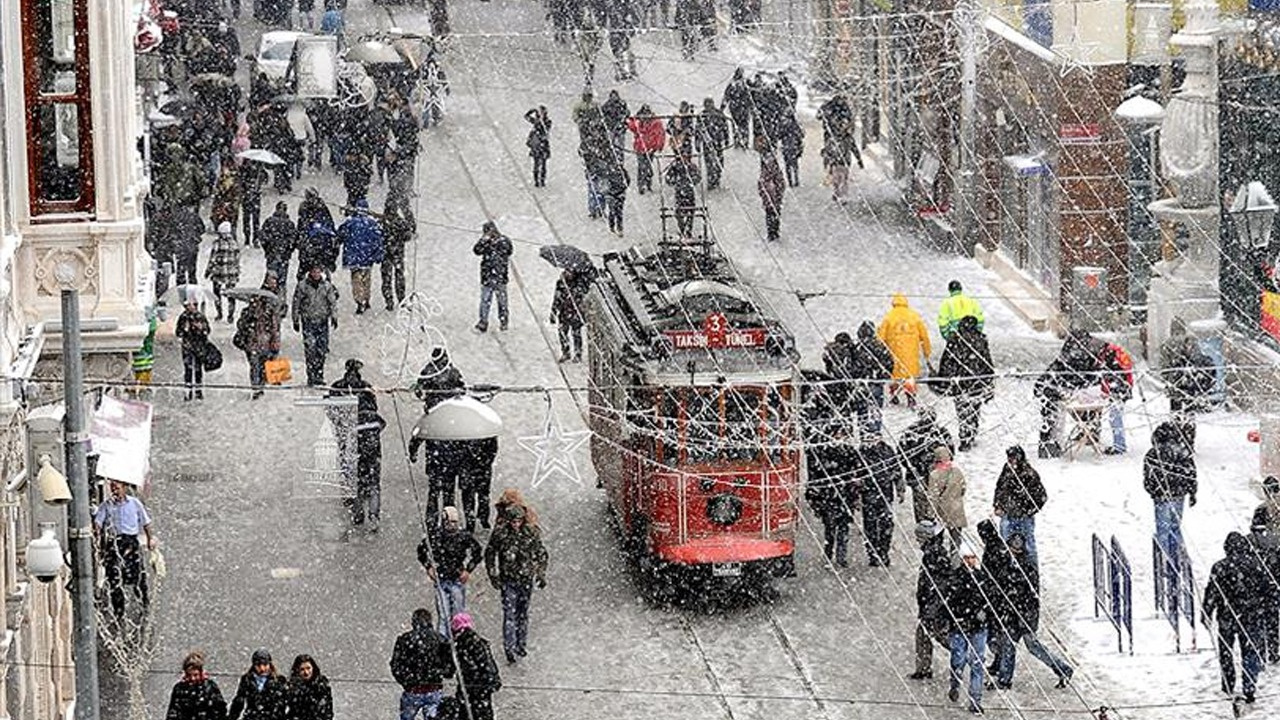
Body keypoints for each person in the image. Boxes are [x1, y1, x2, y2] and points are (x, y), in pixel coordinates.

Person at [989, 532, 1074, 690]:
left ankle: (1063, 668)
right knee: (1009, 645)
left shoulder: (1027, 565)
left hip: (1024, 614)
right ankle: (1004, 679)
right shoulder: (1005, 562)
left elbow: (1031, 594)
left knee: (1032, 646)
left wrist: (1025, 612)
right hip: (1012, 613)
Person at [1204, 532, 1270, 704]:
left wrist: (1207, 612)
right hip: (1251, 615)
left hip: (1227, 615)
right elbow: (1266, 591)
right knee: (1250, 652)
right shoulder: (1256, 565)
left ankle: (1228, 683)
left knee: (1226, 651)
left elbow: (1212, 591)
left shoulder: (1219, 567)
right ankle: (1249, 686)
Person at [485, 504, 549, 664]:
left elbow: (541, 553)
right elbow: (490, 553)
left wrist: (541, 573)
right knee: (510, 614)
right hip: (508, 580)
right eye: (513, 521)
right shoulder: (500, 534)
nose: (516, 524)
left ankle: (520, 644)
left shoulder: (531, 533)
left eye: (518, 521)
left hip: (525, 579)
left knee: (522, 613)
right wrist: (493, 575)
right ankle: (509, 647)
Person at [1033, 329, 1104, 458]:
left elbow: (1052, 371)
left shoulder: (1068, 356)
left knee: (1053, 420)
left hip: (1058, 391)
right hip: (1061, 392)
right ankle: (1089, 431)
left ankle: (1050, 444)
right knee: (1057, 418)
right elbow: (1092, 376)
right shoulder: (1084, 356)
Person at [93, 479, 156, 618]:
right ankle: (118, 611)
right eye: (113, 488)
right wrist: (96, 533)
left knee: (138, 575)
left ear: (124, 487)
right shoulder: (106, 505)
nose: (115, 491)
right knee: (114, 577)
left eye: (117, 487)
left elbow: (146, 523)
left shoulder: (134, 503)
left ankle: (144, 605)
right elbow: (98, 523)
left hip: (131, 542)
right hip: (114, 543)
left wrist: (151, 538)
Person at [418, 507, 485, 637]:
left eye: (455, 522)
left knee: (458, 616)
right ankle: (443, 644)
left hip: (457, 580)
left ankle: (457, 641)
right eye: (450, 522)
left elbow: (477, 552)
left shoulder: (463, 536)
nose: (453, 526)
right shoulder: (435, 536)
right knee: (444, 616)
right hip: (441, 579)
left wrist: (468, 570)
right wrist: (428, 567)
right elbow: (421, 551)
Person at [934, 315, 995, 451]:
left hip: (960, 382)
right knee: (974, 409)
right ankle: (971, 432)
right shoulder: (981, 340)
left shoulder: (955, 340)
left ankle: (965, 436)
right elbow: (987, 362)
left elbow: (946, 361)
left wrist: (943, 379)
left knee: (962, 410)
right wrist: (988, 380)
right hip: (976, 383)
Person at [945, 543, 992, 715]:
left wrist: (984, 613)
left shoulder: (982, 579)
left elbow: (990, 601)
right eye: (967, 558)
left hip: (978, 628)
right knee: (958, 659)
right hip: (961, 626)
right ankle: (955, 683)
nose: (970, 561)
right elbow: (950, 603)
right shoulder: (955, 578)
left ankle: (975, 700)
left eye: (972, 558)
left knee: (977, 663)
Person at [804, 421, 859, 567]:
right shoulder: (823, 452)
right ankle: (828, 554)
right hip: (829, 497)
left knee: (843, 528)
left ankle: (841, 556)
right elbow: (816, 475)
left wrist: (854, 490)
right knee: (830, 529)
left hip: (845, 496)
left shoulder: (850, 452)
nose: (841, 438)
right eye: (838, 434)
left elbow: (856, 472)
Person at [1144, 421, 1197, 569]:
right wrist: (1192, 492)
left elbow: (1148, 478)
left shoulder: (1153, 454)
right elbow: (1191, 474)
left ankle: (1165, 559)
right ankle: (1180, 557)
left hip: (1161, 497)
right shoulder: (1183, 452)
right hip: (1179, 495)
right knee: (1175, 527)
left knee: (1163, 530)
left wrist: (1153, 491)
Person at [390, 608, 455, 720]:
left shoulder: (404, 639)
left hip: (412, 689)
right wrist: (438, 673)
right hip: (433, 688)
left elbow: (396, 665)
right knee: (433, 716)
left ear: (414, 622)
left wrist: (406, 680)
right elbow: (450, 668)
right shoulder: (440, 639)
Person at [910, 520, 954, 680]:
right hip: (932, 605)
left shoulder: (934, 555)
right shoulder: (933, 552)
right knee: (924, 635)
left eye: (919, 537)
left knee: (940, 637)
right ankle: (923, 669)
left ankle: (969, 657)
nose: (917, 541)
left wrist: (931, 608)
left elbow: (940, 584)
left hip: (934, 607)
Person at [898, 406, 955, 523]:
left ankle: (928, 530)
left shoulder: (939, 432)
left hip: (929, 476)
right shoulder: (939, 432)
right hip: (923, 476)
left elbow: (949, 454)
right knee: (929, 505)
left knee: (925, 506)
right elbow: (902, 455)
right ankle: (929, 530)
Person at [992, 445, 1046, 566]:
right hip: (1007, 514)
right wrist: (997, 505)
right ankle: (1006, 570)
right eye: (1009, 458)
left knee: (1028, 545)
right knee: (1005, 545)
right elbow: (999, 487)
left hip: (1024, 517)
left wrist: (1029, 510)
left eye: (1012, 458)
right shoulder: (1007, 470)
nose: (1010, 461)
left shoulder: (1029, 474)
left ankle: (1031, 570)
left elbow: (1041, 496)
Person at [857, 430, 904, 567]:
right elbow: (856, 474)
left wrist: (900, 489)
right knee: (870, 526)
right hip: (868, 495)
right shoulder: (861, 453)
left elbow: (896, 469)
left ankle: (884, 552)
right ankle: (872, 554)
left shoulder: (887, 450)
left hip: (885, 494)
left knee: (886, 525)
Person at [878, 293, 932, 406]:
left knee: (895, 375)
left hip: (894, 353)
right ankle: (910, 396)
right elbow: (924, 337)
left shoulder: (889, 317)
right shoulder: (914, 316)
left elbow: (880, 338)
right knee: (909, 375)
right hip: (911, 354)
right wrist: (927, 352)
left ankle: (894, 394)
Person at [292, 264, 340, 386]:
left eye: (318, 272)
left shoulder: (326, 286)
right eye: (314, 272)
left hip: (322, 321)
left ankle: (319, 374)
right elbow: (296, 302)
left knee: (321, 349)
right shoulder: (302, 286)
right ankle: (311, 376)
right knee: (310, 349)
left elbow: (332, 302)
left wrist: (334, 317)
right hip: (308, 321)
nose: (316, 274)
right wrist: (295, 319)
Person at [448, 613, 502, 720]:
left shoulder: (459, 646)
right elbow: (490, 666)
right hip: (483, 691)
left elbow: (450, 670)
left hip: (470, 690)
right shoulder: (480, 642)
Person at [338, 200, 385, 315]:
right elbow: (378, 241)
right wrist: (378, 256)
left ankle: (360, 301)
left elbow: (340, 234)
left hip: (353, 257)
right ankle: (366, 299)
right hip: (367, 258)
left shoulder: (350, 222)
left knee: (356, 281)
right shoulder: (372, 223)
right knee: (366, 279)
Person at [233, 293, 282, 399]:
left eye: (257, 300)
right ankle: (256, 388)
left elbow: (274, 328)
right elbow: (240, 325)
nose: (255, 302)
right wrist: (249, 319)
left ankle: (261, 385)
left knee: (263, 367)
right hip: (252, 344)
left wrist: (275, 341)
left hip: (266, 344)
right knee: (254, 367)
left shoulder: (268, 312)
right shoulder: (246, 312)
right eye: (253, 300)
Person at [849, 320, 895, 430]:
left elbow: (852, 366)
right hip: (876, 383)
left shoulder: (857, 348)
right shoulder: (880, 346)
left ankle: (864, 434)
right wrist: (882, 377)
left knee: (862, 412)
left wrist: (856, 376)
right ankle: (875, 434)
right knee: (875, 410)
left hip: (861, 384)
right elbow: (890, 362)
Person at [473, 221, 513, 333]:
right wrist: (484, 241)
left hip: (500, 277)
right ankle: (483, 322)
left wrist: (495, 245)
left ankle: (504, 322)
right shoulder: (485, 242)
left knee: (502, 302)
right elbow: (476, 251)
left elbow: (509, 251)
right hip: (487, 276)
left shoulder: (504, 241)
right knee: (485, 300)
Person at [166, 650, 228, 720]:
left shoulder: (210, 687)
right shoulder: (179, 689)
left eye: (195, 675)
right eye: (189, 675)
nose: (192, 678)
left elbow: (220, 711)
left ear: (201, 673)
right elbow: (173, 713)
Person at [227, 649, 287, 720]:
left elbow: (282, 703)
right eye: (258, 665)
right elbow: (239, 701)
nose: (262, 668)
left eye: (265, 664)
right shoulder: (247, 679)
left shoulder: (279, 680)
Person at [1100, 339, 1135, 454]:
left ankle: (1119, 446)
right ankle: (1119, 444)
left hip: (1118, 390)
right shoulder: (1116, 352)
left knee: (1115, 418)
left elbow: (1108, 375)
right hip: (1121, 389)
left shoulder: (1110, 354)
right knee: (1115, 417)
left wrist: (1107, 390)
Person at [926, 446, 966, 543]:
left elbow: (933, 496)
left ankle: (940, 556)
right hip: (957, 511)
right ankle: (955, 557)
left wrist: (930, 514)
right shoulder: (957, 471)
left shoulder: (935, 474)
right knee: (956, 542)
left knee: (936, 541)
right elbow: (963, 489)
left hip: (941, 512)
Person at [175, 296, 212, 401]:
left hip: (199, 347)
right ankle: (188, 391)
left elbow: (207, 331)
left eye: (192, 305)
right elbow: (178, 333)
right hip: (187, 347)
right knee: (188, 369)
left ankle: (198, 391)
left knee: (198, 370)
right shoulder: (183, 317)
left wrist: (202, 328)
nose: (190, 307)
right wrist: (184, 329)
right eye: (188, 305)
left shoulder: (200, 316)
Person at [206, 221, 241, 322]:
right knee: (231, 294)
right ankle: (231, 315)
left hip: (219, 273)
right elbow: (237, 259)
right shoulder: (234, 243)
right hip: (231, 273)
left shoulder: (217, 243)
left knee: (216, 293)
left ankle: (219, 313)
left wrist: (208, 270)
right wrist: (237, 270)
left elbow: (212, 259)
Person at [381, 199, 413, 311]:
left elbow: (377, 236)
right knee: (399, 278)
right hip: (398, 254)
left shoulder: (382, 221)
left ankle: (389, 301)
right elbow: (408, 236)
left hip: (386, 254)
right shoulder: (401, 222)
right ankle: (401, 299)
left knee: (386, 279)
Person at [550, 269, 588, 362]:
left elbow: (582, 296)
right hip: (564, 312)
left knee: (576, 334)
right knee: (562, 332)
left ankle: (578, 353)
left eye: (570, 272)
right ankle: (565, 352)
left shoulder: (579, 283)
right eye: (567, 271)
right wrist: (553, 311)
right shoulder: (561, 283)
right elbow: (557, 297)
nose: (568, 274)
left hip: (575, 312)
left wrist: (575, 294)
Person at [626, 105, 664, 194]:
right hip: (642, 147)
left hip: (648, 147)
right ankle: (644, 184)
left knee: (645, 166)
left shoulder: (654, 122)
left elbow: (660, 134)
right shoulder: (643, 122)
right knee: (643, 166)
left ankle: (645, 183)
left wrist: (658, 146)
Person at [286, 655, 333, 720]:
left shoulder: (322, 686)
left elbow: (327, 711)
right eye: (302, 669)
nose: (306, 672)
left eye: (308, 668)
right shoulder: (293, 688)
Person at [667, 153, 702, 239]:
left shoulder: (690, 167)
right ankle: (683, 229)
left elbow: (698, 177)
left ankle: (687, 230)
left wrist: (690, 182)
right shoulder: (675, 167)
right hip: (681, 192)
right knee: (680, 212)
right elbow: (668, 179)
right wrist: (676, 182)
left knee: (689, 211)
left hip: (688, 192)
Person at [697, 97, 729, 190]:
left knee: (719, 162)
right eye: (706, 104)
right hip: (707, 143)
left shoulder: (719, 114)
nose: (708, 106)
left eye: (709, 104)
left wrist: (727, 139)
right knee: (709, 163)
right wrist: (698, 143)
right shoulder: (702, 115)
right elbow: (698, 130)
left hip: (718, 141)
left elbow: (725, 127)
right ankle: (711, 181)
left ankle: (717, 178)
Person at [757, 147, 785, 242]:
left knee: (774, 214)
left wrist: (778, 193)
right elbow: (761, 185)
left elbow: (781, 183)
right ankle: (772, 232)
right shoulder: (765, 173)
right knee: (770, 214)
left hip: (774, 198)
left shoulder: (774, 172)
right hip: (770, 199)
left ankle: (774, 231)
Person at [721, 68, 752, 148]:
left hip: (740, 108)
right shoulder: (735, 83)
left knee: (740, 125)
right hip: (738, 108)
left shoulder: (742, 83)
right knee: (739, 125)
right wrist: (722, 107)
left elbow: (750, 97)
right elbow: (727, 96)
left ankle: (742, 141)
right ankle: (740, 140)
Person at [524, 106, 552, 188]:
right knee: (536, 163)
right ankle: (536, 180)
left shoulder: (547, 122)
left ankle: (542, 180)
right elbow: (526, 117)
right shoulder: (536, 121)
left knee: (543, 164)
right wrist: (531, 111)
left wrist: (541, 121)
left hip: (542, 145)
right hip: (537, 145)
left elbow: (546, 129)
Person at [822, 135, 851, 203]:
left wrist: (826, 164)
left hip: (837, 163)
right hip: (844, 163)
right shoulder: (848, 139)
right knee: (843, 180)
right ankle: (842, 195)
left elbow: (827, 153)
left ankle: (838, 194)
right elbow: (854, 149)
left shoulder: (831, 140)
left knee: (838, 180)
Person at [779, 114, 804, 187]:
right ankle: (796, 180)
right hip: (794, 146)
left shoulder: (783, 124)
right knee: (795, 164)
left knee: (787, 165)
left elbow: (779, 135)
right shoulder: (796, 125)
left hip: (786, 146)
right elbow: (801, 135)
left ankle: (790, 181)